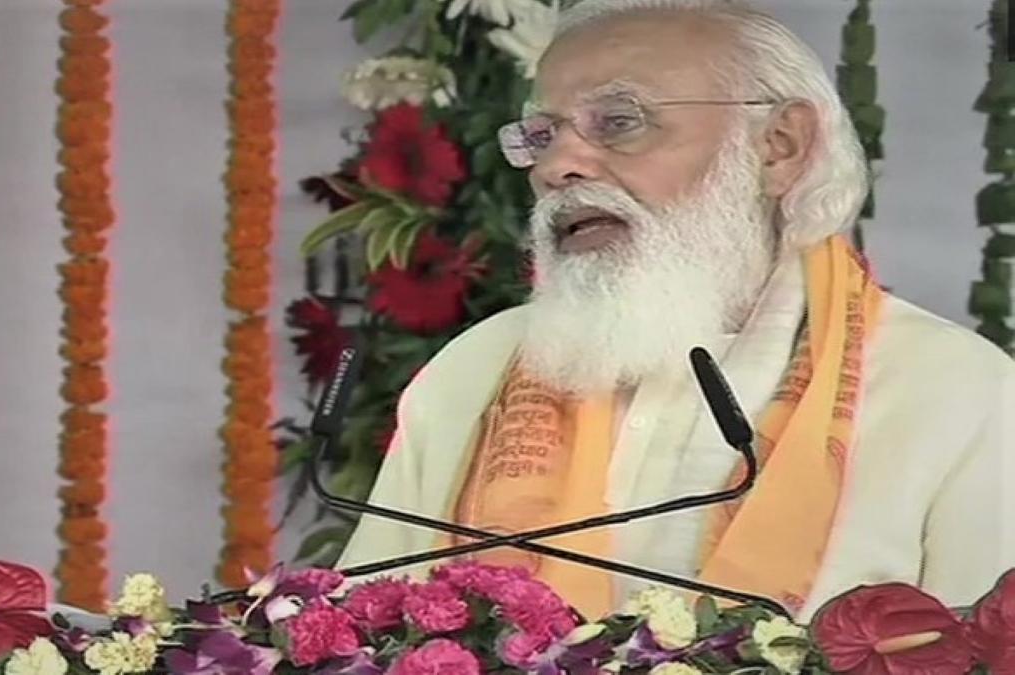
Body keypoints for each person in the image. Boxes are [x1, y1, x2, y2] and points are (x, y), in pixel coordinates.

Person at [337, 0, 1015, 622]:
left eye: (620, 122)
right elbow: (357, 628)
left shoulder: (953, 391)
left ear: (779, 145)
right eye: (542, 135)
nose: (558, 167)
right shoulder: (478, 367)